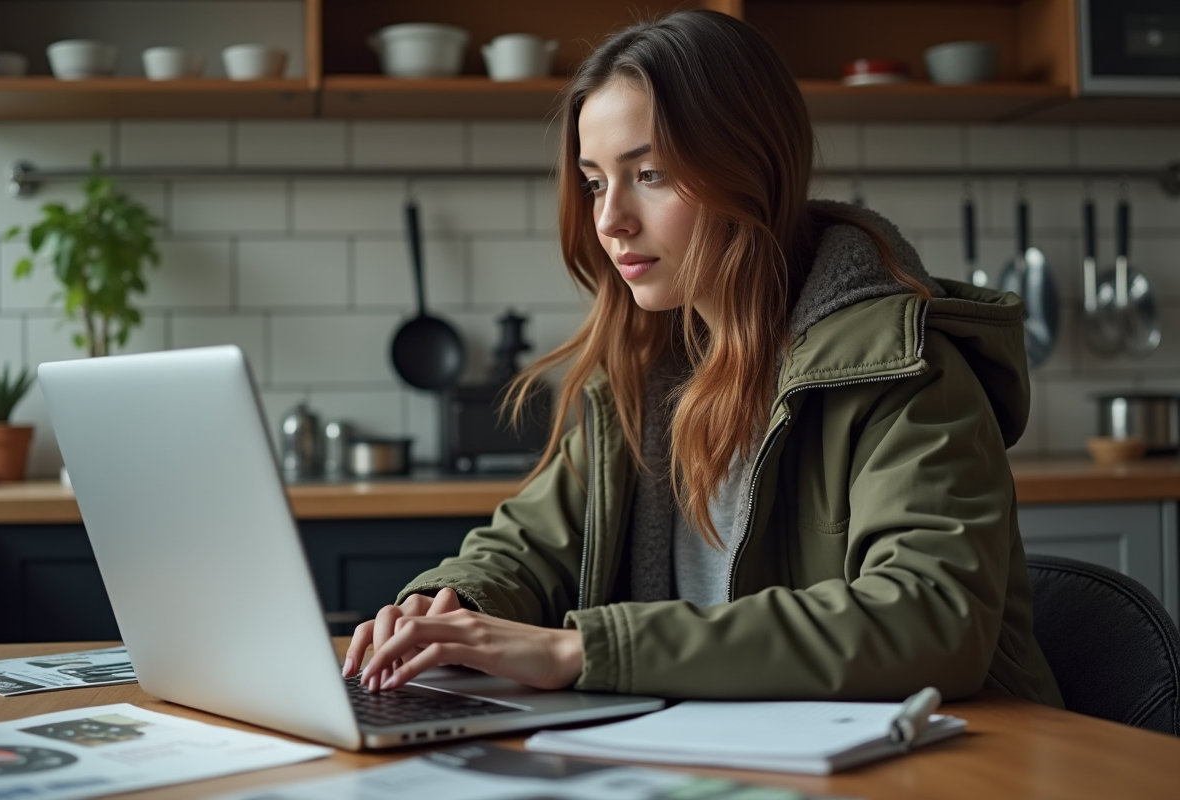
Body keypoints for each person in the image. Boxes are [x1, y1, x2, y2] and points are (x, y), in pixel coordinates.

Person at [343, 9, 1064, 707]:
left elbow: (929, 621)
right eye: (595, 181)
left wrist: (583, 650)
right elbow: (529, 544)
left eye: (648, 174)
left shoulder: (906, 367)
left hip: (950, 763)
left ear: (750, 166)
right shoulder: (641, 373)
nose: (608, 219)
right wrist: (441, 610)